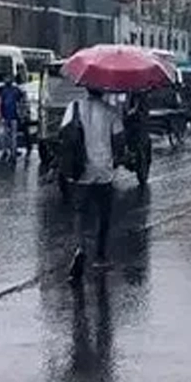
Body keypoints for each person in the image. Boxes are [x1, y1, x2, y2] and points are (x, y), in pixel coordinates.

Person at [64, 88, 125, 282]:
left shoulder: (73, 107)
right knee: (103, 214)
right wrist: (116, 158)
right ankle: (100, 256)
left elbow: (64, 134)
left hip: (81, 170)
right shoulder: (110, 111)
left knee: (80, 213)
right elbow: (119, 140)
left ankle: (80, 248)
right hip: (104, 170)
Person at [0, 73, 26, 162]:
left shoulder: (15, 90)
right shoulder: (2, 90)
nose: (8, 80)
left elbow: (22, 100)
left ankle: (12, 153)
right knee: (5, 135)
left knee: (12, 136)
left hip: (13, 116)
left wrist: (21, 112)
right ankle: (7, 151)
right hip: (5, 116)